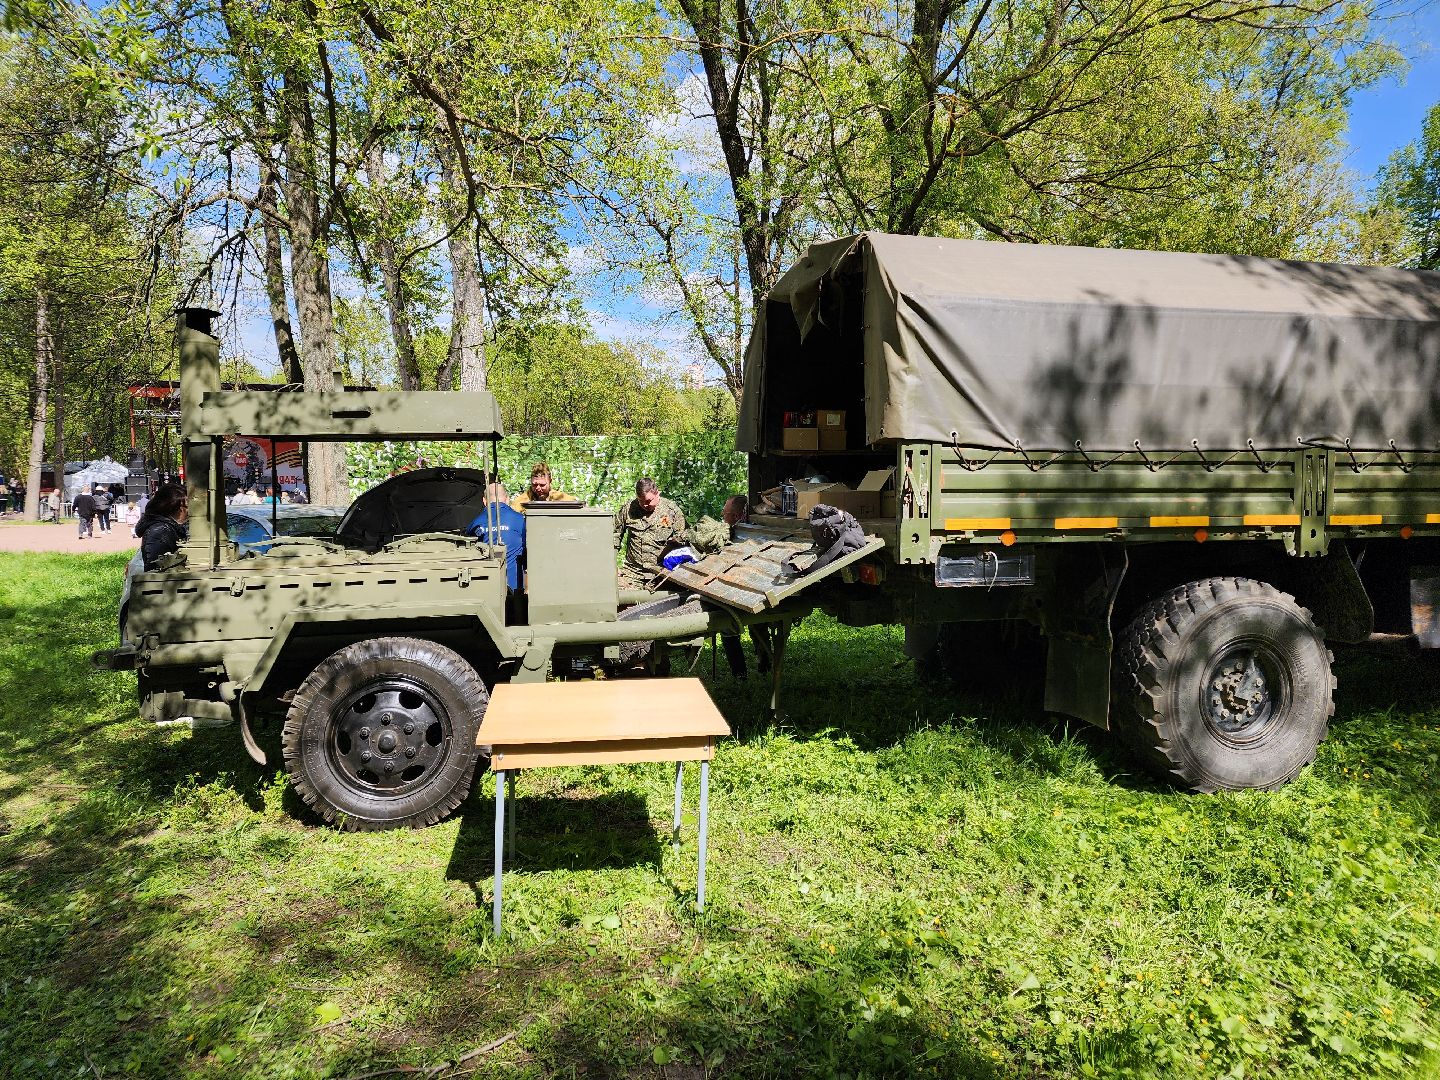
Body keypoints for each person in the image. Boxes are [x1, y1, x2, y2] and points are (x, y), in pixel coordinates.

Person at [717, 495, 771, 678]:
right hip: (750, 587)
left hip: (743, 588)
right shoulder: (753, 530)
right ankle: (760, 665)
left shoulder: (735, 533)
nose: (723, 517)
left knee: (728, 626)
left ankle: (742, 672)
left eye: (725, 514)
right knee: (758, 626)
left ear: (735, 516)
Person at [463, 482, 526, 620]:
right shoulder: (521, 520)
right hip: (516, 593)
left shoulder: (475, 524)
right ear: (507, 499)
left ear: (484, 501)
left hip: (487, 592)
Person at [614, 477, 686, 589]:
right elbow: (614, 536)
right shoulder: (629, 509)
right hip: (632, 574)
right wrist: (612, 566)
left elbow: (683, 542)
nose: (645, 505)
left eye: (648, 501)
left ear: (658, 494)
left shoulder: (672, 512)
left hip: (661, 574)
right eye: (640, 501)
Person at [134, 484, 189, 570]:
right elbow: (155, 570)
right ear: (177, 507)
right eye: (187, 506)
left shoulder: (169, 527)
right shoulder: (160, 531)